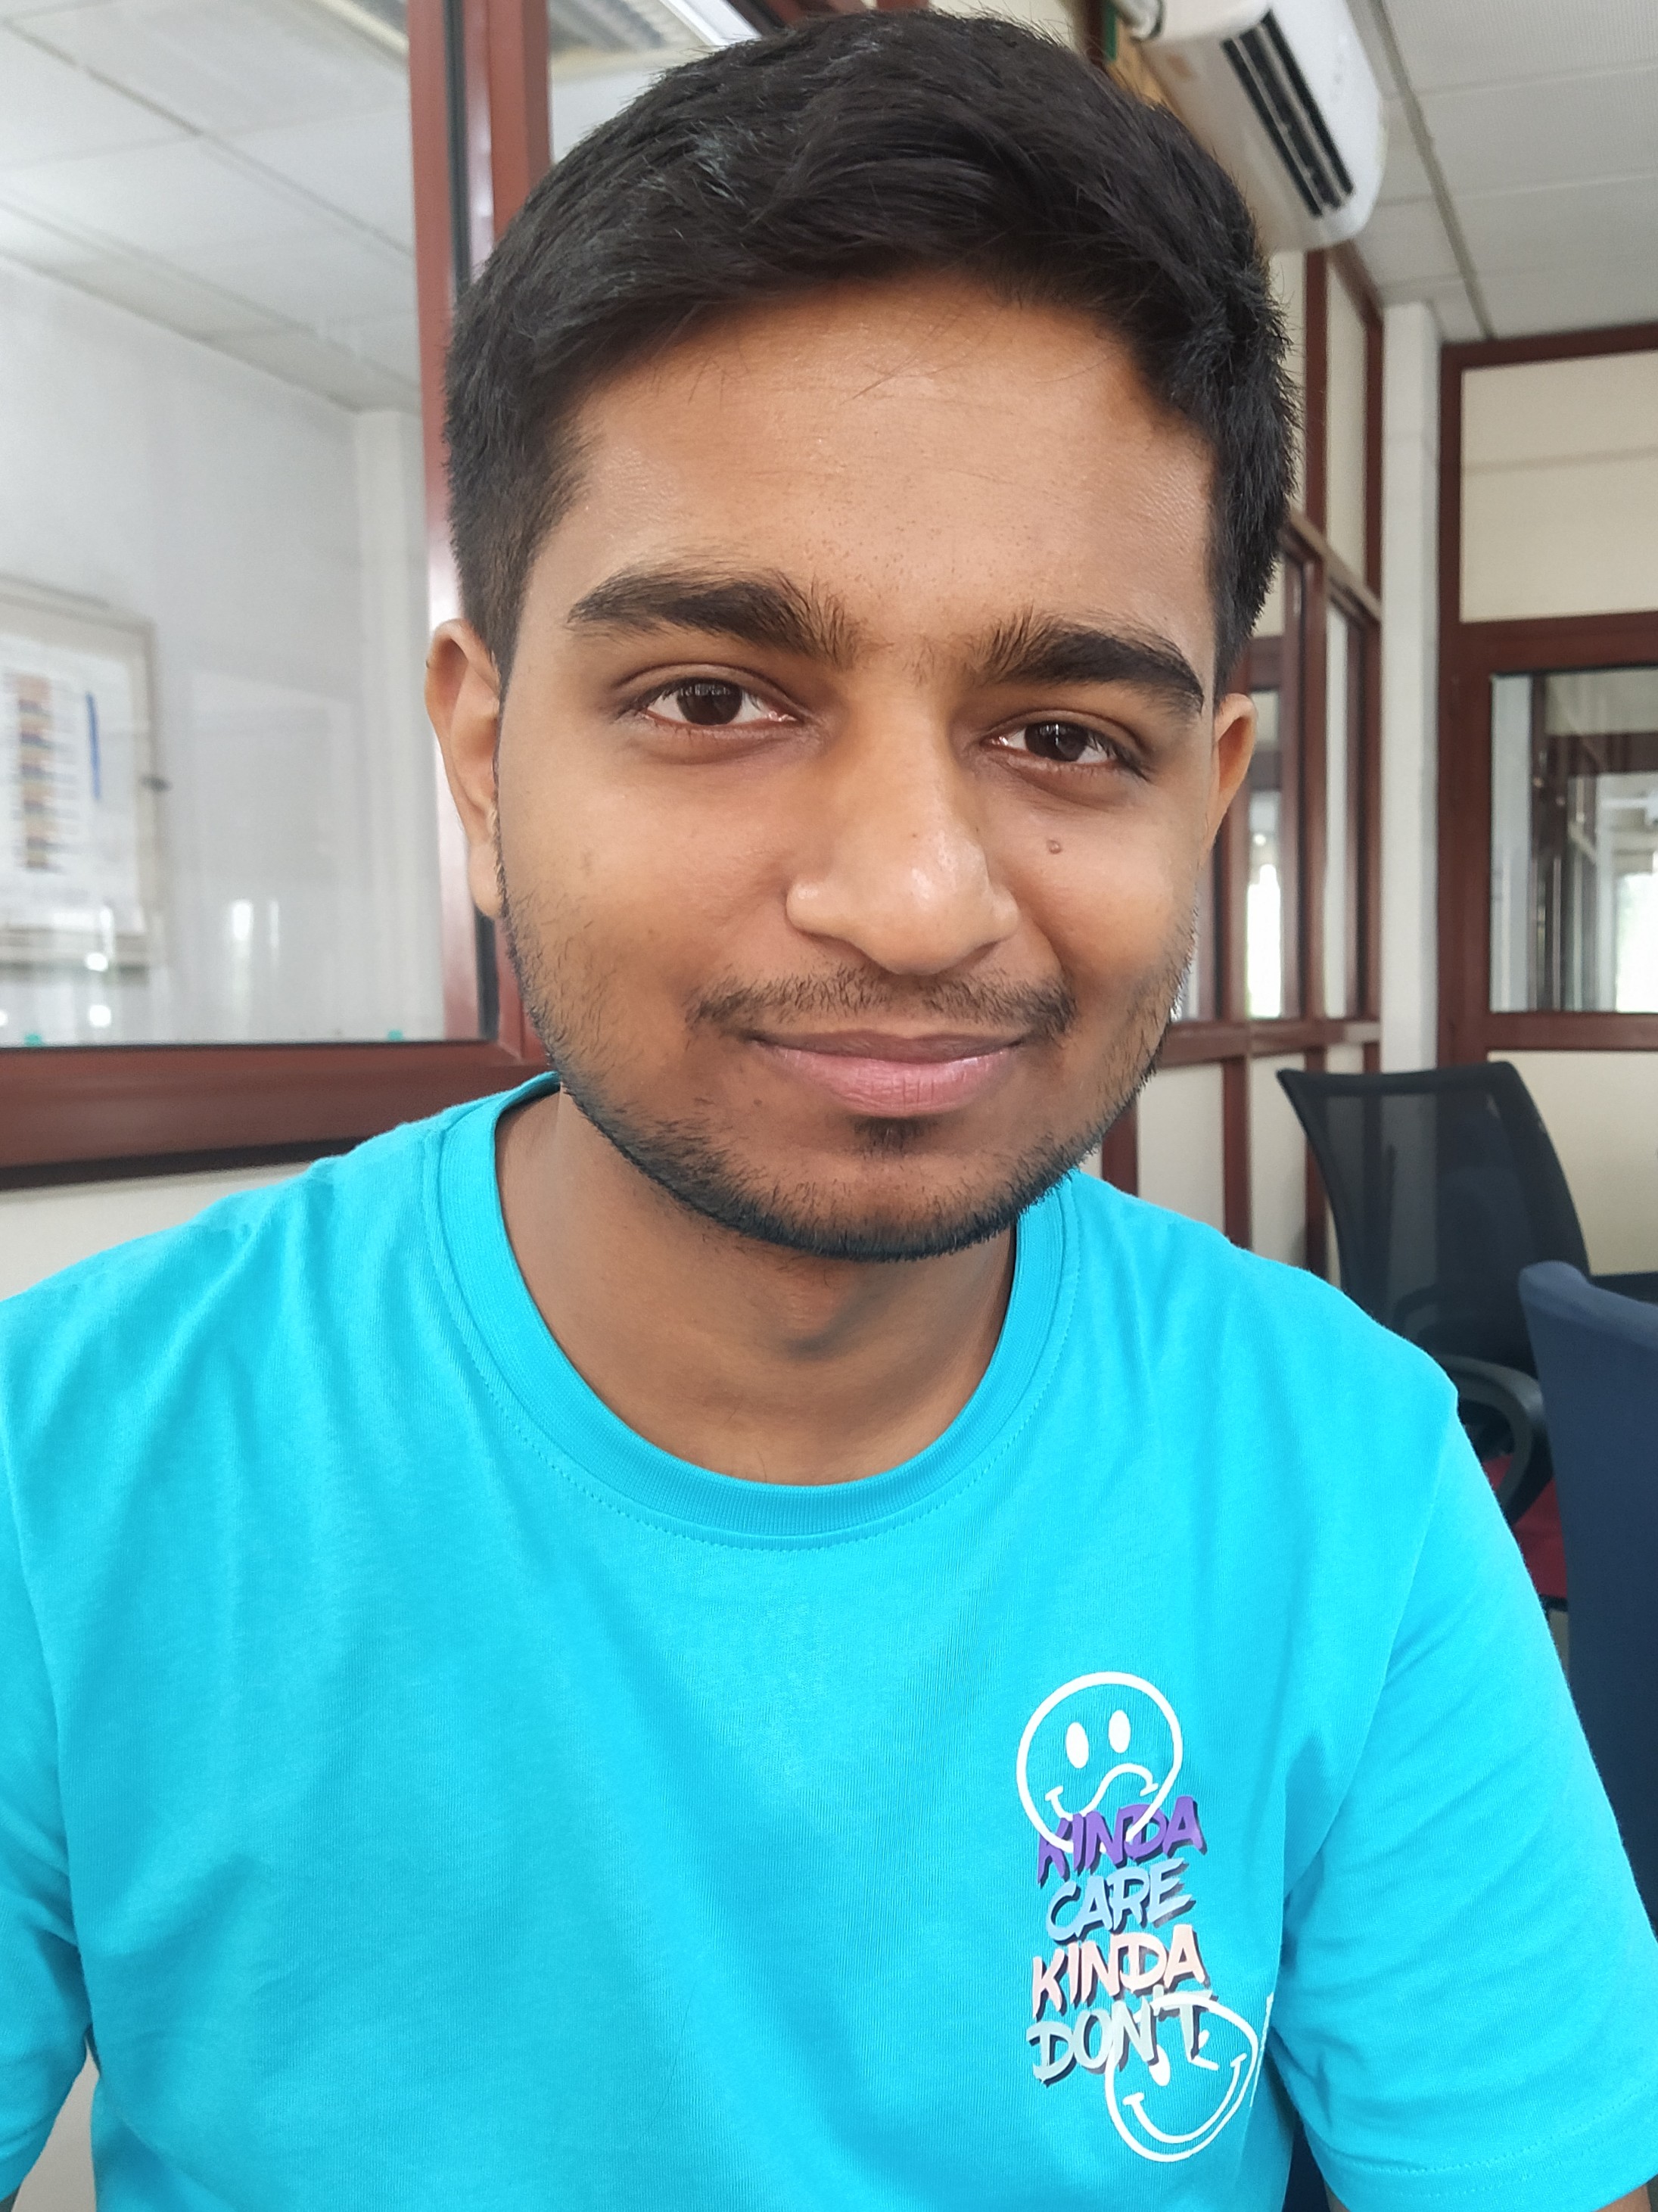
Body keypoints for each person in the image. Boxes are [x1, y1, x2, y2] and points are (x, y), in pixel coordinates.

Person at [2, 14, 1656, 2209]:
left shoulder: (1347, 1475)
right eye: (714, 697)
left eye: (1066, 735)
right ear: (485, 760)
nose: (909, 897)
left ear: (1211, 800)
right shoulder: (69, 1467)